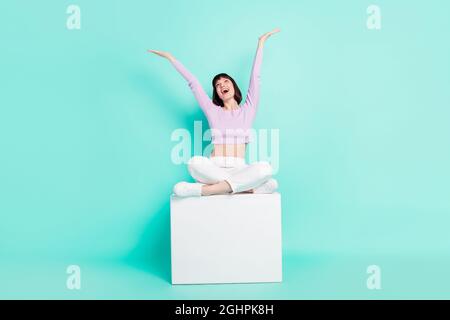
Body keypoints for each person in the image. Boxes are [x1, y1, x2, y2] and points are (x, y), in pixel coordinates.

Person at [148, 28, 280, 197]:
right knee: (194, 163)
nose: (222, 85)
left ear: (233, 86)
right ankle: (244, 188)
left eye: (225, 81)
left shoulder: (249, 108)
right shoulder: (213, 110)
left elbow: (256, 77)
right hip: (215, 168)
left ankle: (206, 190)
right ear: (216, 92)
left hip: (240, 168)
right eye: (217, 85)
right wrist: (171, 58)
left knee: (265, 169)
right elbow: (193, 83)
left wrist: (261, 44)